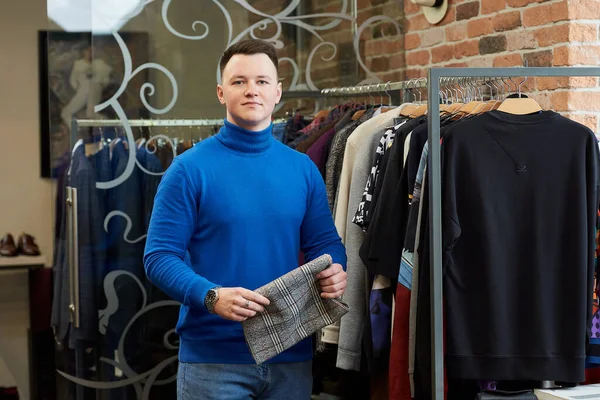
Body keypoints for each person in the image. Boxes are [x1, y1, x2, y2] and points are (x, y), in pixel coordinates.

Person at [143, 39, 347, 400]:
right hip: (213, 363)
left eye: (262, 81)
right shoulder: (189, 170)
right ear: (221, 92)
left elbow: (325, 245)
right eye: (239, 81)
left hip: (290, 356)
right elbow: (159, 257)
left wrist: (335, 269)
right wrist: (210, 296)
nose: (252, 90)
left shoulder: (302, 169)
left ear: (277, 92)